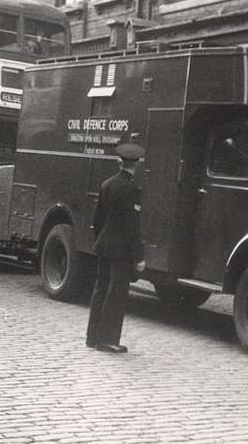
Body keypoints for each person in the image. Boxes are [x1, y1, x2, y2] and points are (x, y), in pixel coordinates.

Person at [86, 142, 146, 354]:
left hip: (104, 245)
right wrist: (138, 256)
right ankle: (108, 340)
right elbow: (132, 226)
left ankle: (92, 338)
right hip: (121, 250)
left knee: (100, 289)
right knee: (117, 294)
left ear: (119, 162)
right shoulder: (131, 189)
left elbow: (98, 219)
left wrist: (102, 240)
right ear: (137, 164)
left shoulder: (107, 184)